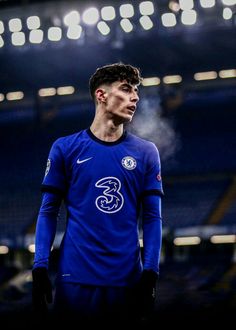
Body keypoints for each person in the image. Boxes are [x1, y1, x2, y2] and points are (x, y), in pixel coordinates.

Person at [32, 62, 164, 325]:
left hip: (127, 282)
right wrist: (40, 266)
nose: (135, 96)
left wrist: (150, 272)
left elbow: (152, 217)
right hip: (75, 279)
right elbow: (48, 211)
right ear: (101, 95)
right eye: (126, 89)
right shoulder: (65, 148)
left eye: (136, 90)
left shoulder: (147, 152)